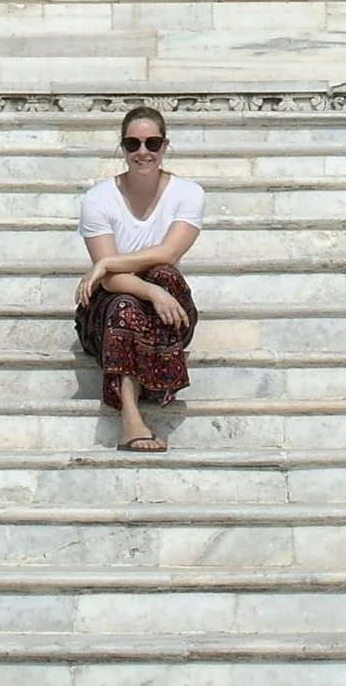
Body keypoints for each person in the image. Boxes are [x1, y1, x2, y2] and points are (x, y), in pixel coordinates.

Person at [73, 103, 202, 452]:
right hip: (111, 308)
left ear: (165, 146)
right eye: (133, 144)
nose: (143, 152)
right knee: (126, 303)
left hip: (168, 304)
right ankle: (130, 418)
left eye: (152, 143)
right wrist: (149, 292)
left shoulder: (188, 193)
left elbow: (168, 253)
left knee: (164, 274)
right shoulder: (98, 199)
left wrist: (109, 263)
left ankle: (152, 379)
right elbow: (110, 281)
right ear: (122, 147)